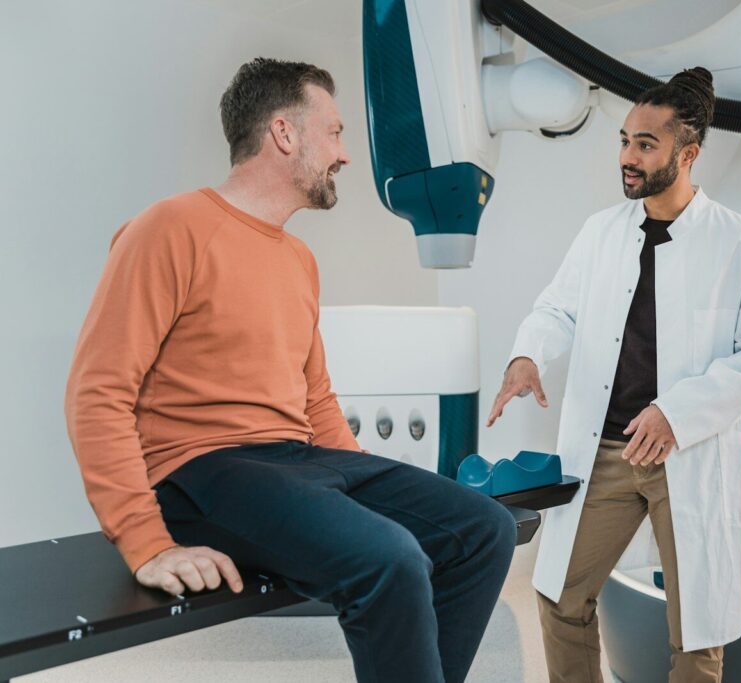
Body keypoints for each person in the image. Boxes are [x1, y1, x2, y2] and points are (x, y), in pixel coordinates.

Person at [65, 57, 516, 683]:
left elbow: (317, 398)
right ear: (284, 133)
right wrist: (147, 543)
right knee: (390, 560)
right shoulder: (168, 228)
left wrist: (363, 487)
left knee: (485, 529)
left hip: (300, 459)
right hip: (202, 470)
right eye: (333, 132)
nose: (346, 155)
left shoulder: (298, 258)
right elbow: (98, 392)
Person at [488, 67, 741, 682]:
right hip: (607, 449)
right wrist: (528, 355)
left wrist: (677, 413)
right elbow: (557, 307)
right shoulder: (601, 233)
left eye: (645, 145)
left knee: (697, 634)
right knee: (559, 595)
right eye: (625, 140)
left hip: (688, 450)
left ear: (689, 153)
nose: (628, 156)